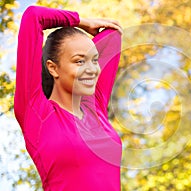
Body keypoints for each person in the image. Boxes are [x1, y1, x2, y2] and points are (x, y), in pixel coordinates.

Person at [14, 5, 123, 191]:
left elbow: (113, 35)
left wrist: (81, 40)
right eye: (79, 61)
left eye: (94, 60)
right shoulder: (36, 113)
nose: (91, 69)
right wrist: (82, 22)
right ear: (53, 68)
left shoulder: (94, 108)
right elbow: (34, 16)